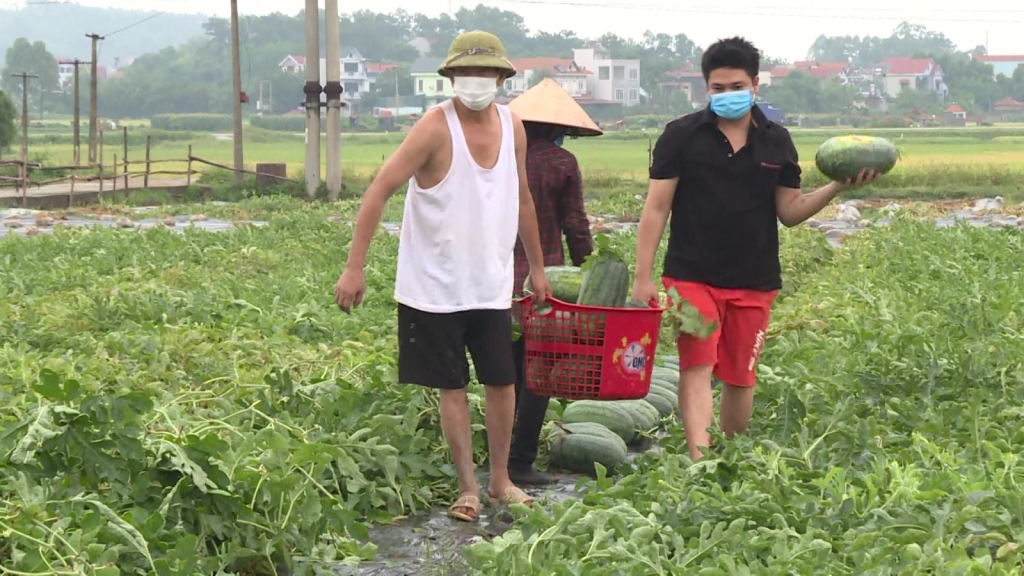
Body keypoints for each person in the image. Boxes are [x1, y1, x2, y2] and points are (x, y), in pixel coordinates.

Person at [334, 30, 553, 522]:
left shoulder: (513, 126)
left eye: (485, 73)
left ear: (501, 78)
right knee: (452, 387)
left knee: (502, 382)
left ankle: (500, 480)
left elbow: (522, 198)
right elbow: (379, 190)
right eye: (465, 73)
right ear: (451, 78)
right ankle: (468, 487)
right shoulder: (434, 127)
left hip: (490, 283)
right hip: (434, 286)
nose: (475, 81)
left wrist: (537, 267)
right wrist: (354, 266)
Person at [631, 37, 879, 461]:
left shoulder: (777, 142)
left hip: (754, 279)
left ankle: (728, 459)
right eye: (718, 88)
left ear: (756, 84)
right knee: (697, 365)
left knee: (740, 377)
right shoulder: (680, 136)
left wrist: (837, 186)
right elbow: (656, 208)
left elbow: (790, 211)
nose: (727, 95)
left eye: (737, 87)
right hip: (690, 275)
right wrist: (643, 275)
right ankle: (701, 463)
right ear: (706, 88)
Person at [506, 79, 601, 485]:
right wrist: (591, 272)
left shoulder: (498, 156)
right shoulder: (562, 163)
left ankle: (500, 453)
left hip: (496, 280)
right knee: (539, 374)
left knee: (505, 372)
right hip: (546, 285)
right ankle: (520, 461)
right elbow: (576, 227)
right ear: (558, 128)